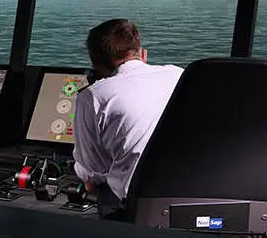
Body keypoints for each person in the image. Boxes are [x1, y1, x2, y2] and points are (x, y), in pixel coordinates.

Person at [72, 18, 184, 205]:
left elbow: (93, 175)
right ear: (143, 54)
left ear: (94, 64)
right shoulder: (180, 74)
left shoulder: (94, 95)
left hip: (138, 207)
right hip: (195, 194)